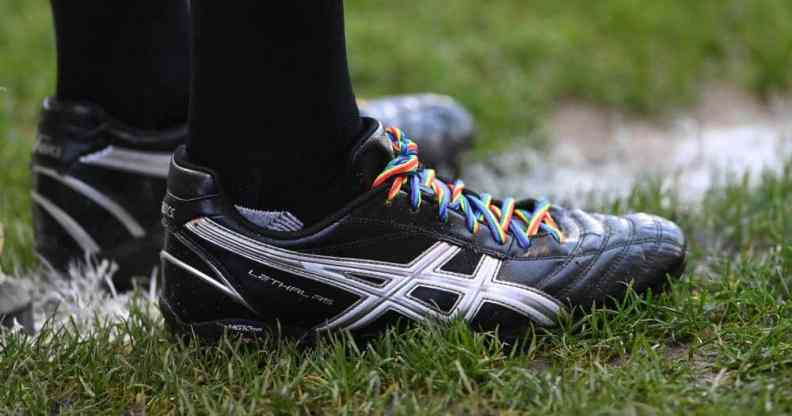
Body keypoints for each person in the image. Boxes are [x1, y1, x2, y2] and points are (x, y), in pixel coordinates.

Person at [33, 1, 687, 341]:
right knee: (282, 147)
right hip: (278, 198)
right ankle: (295, 180)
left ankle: (141, 114)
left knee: (159, 94)